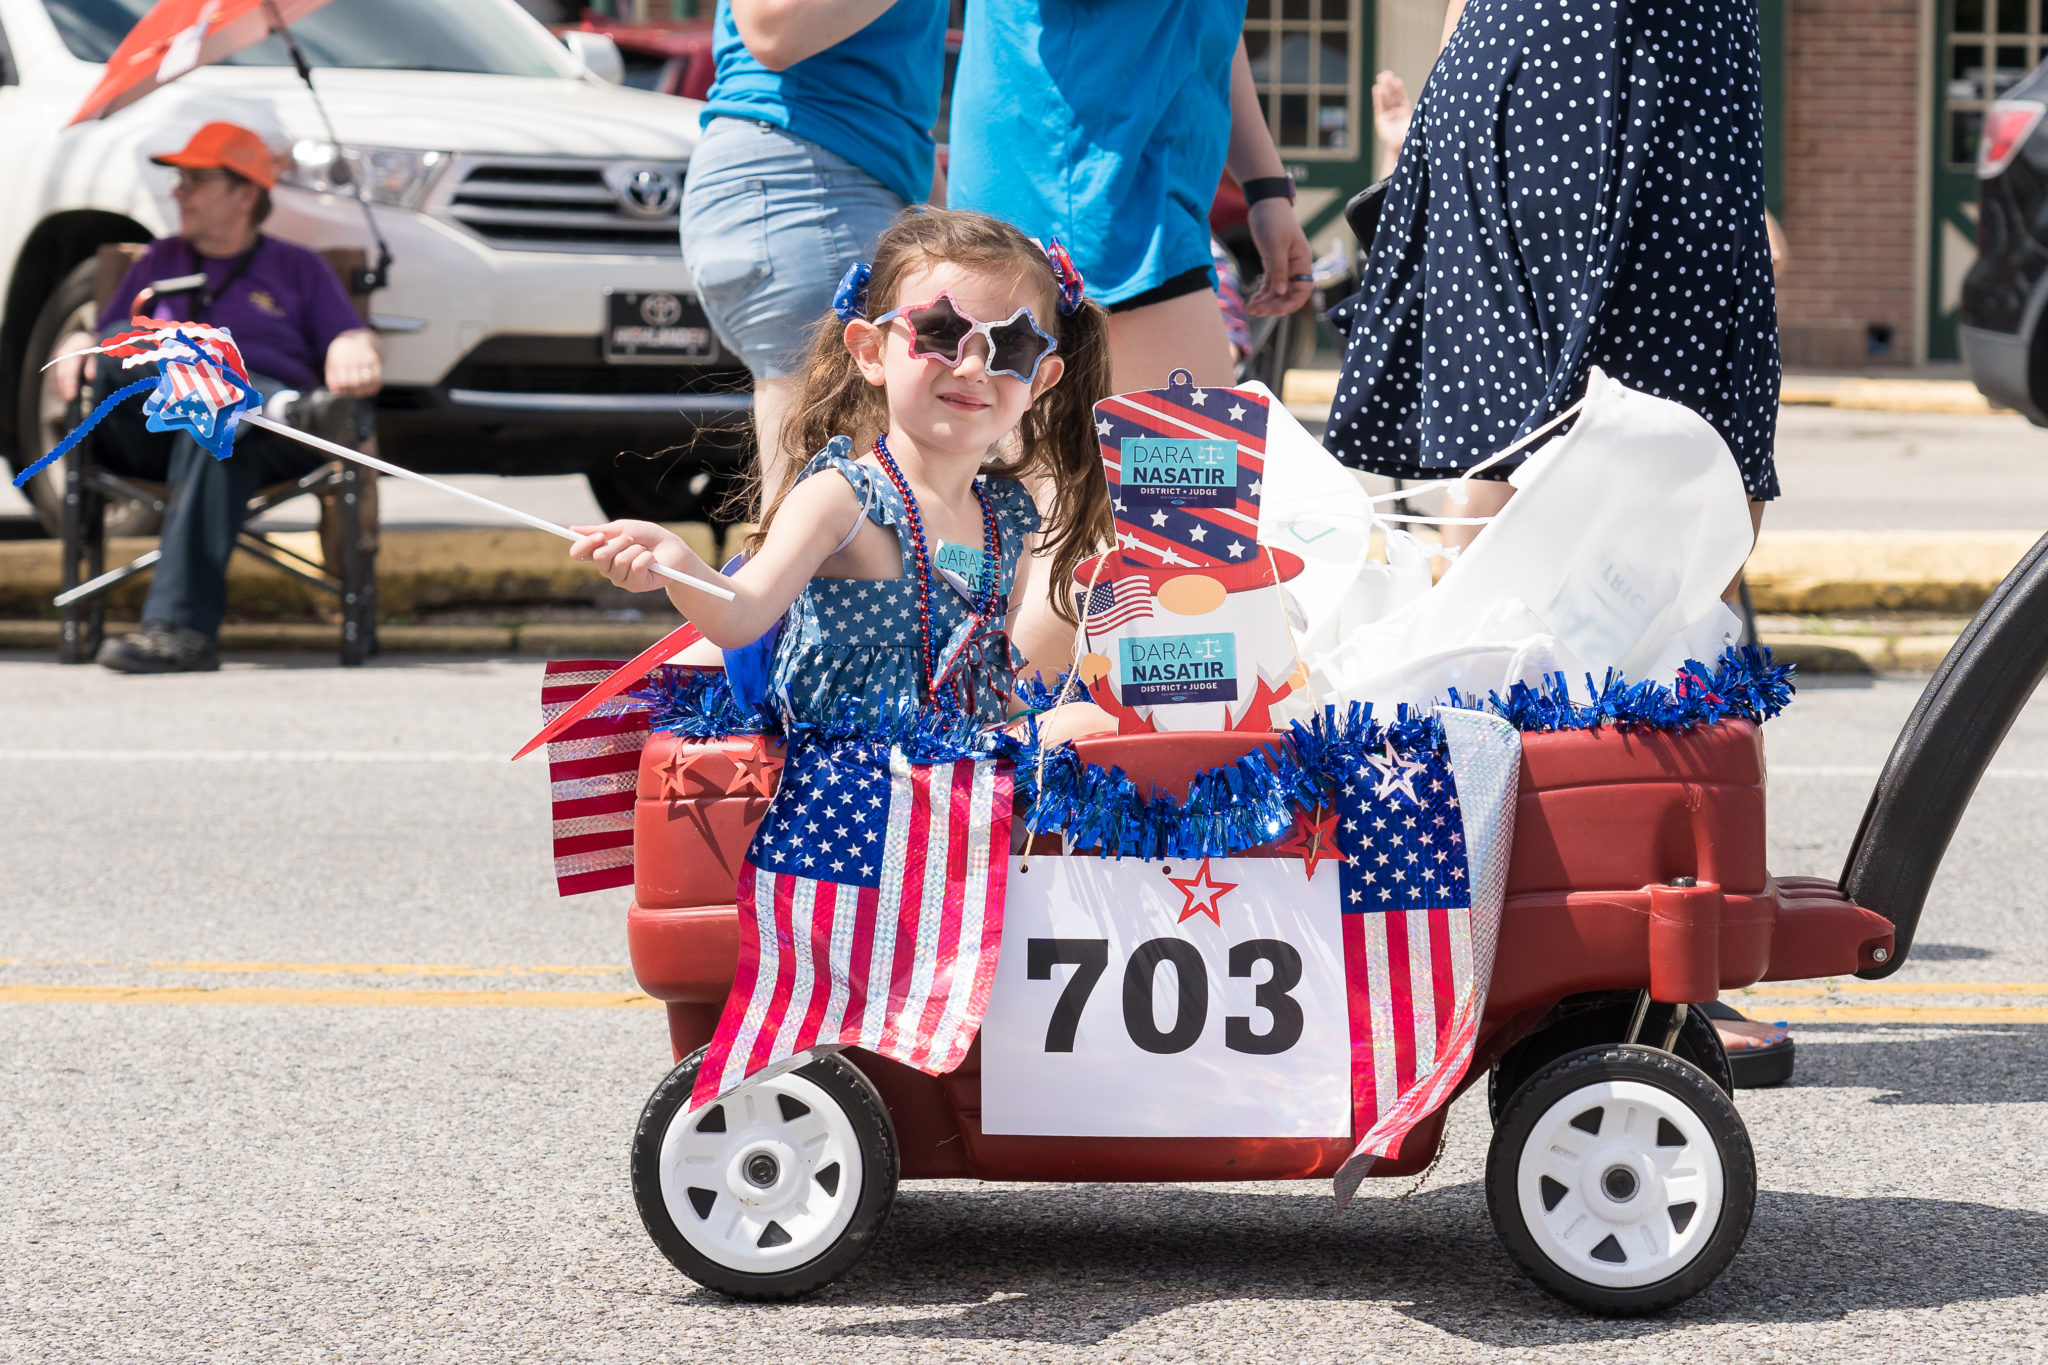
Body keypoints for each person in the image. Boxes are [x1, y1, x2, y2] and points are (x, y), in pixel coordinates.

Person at [574, 209, 1114, 747]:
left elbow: (989, 677)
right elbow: (743, 615)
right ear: (871, 353)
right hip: (849, 775)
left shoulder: (1005, 519)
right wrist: (676, 565)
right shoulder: (841, 498)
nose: (973, 367)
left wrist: (1050, 725)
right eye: (941, 332)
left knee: (1096, 729)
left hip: (957, 764)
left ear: (1040, 379)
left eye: (1010, 346)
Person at [1327, 0, 1781, 555]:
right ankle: (1507, 633)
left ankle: (1488, 634)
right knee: (1683, 421)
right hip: (1648, 67)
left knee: (1513, 412)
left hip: (1564, 63)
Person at [48, 121, 382, 673]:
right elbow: (110, 348)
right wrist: (82, 337)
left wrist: (356, 342)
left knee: (216, 436)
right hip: (151, 430)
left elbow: (350, 334)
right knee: (134, 358)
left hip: (265, 443)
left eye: (194, 181)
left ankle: (178, 631)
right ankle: (254, 403)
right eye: (179, 181)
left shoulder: (298, 266)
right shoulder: (157, 260)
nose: (178, 193)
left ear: (245, 193)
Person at [943, 2, 1316, 397]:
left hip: (1131, 205)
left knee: (1195, 455)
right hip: (1071, 198)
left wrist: (1265, 189)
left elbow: (1210, 36)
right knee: (1184, 453)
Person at [679, 0, 946, 504]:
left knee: (835, 497)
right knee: (832, 509)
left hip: (816, 178)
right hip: (808, 180)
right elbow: (771, 29)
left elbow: (892, 100)